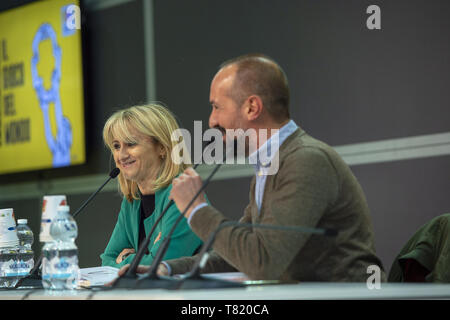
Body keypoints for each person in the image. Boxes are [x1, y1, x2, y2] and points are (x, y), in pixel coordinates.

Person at [120, 54, 386, 282]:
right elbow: (240, 254)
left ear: (251, 107)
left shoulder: (306, 161)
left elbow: (263, 263)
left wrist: (197, 209)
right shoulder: (271, 163)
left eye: (216, 107)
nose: (211, 121)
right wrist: (166, 269)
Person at [100, 103, 203, 268]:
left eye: (131, 144)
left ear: (162, 147)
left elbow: (160, 263)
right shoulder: (132, 202)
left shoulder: (183, 194)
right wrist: (142, 257)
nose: (121, 155)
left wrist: (125, 260)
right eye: (117, 146)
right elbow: (107, 262)